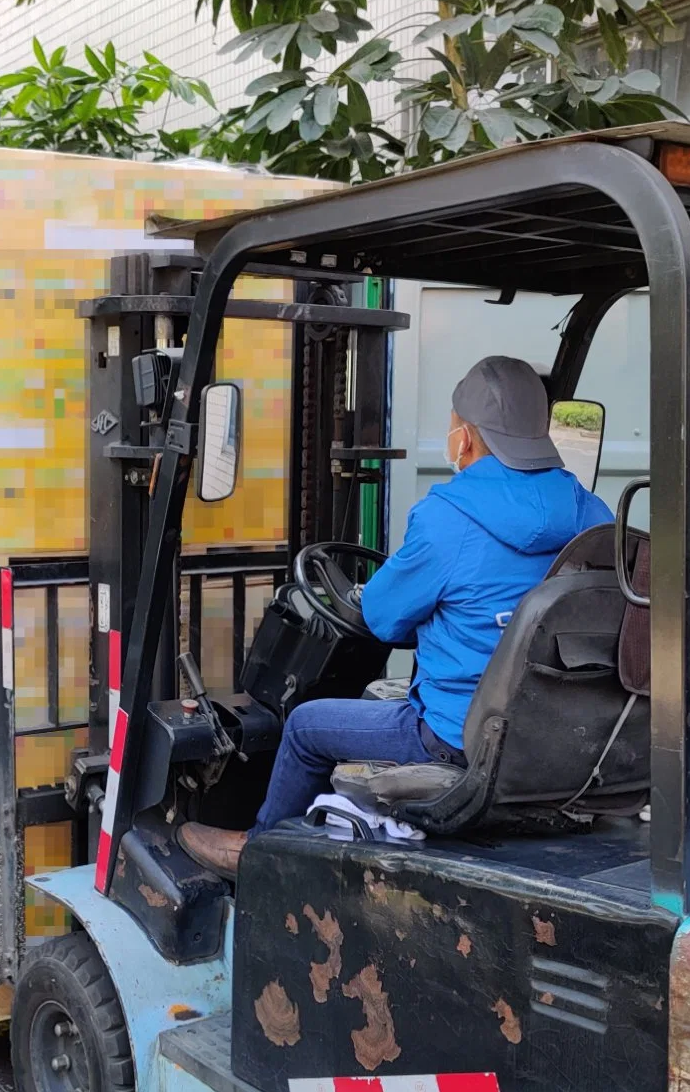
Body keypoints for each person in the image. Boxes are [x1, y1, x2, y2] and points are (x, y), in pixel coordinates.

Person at [177, 355, 614, 879]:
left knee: (305, 724)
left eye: (453, 426)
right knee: (374, 697)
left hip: (457, 737)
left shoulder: (447, 517)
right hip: (555, 733)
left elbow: (382, 619)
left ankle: (259, 855)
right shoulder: (593, 512)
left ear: (468, 438)